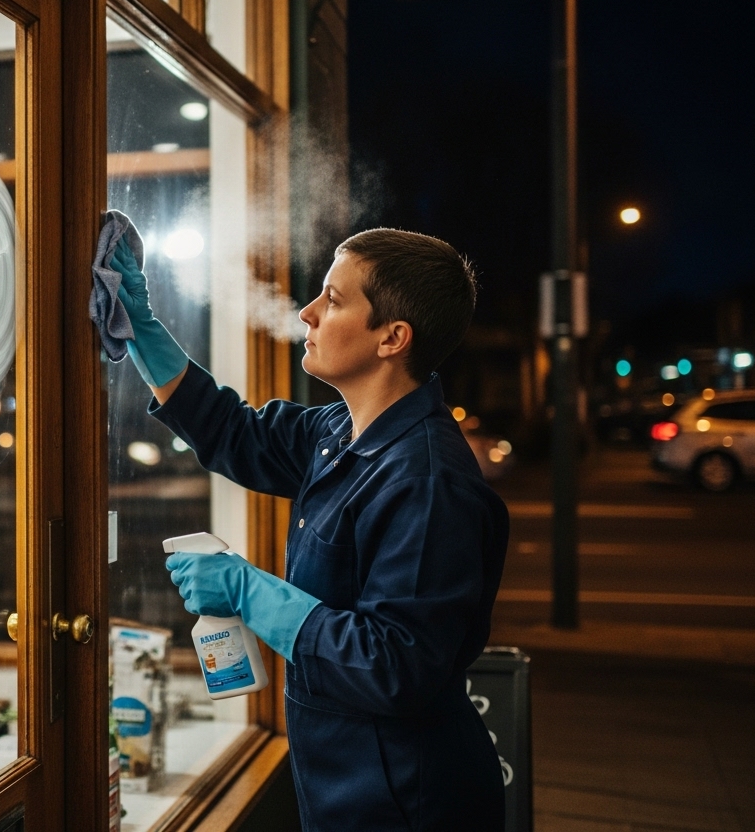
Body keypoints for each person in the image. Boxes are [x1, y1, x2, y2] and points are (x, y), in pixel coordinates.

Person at [108, 225, 509, 830]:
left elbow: (394, 665)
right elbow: (231, 433)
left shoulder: (427, 483)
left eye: (334, 299)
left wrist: (249, 590)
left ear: (393, 338)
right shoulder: (338, 431)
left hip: (406, 800)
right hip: (345, 782)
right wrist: (139, 324)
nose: (307, 312)